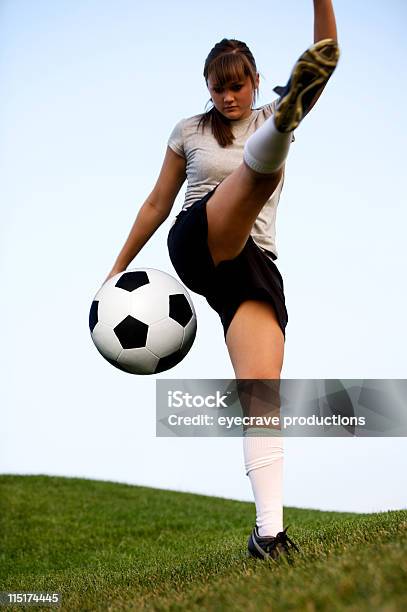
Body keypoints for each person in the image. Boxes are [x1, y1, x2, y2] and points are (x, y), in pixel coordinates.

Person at [104, 0, 339, 561]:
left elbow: (327, 59)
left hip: (252, 268)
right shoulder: (188, 131)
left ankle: (269, 534)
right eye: (217, 88)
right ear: (207, 88)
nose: (228, 96)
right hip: (197, 239)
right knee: (259, 174)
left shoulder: (256, 113)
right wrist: (115, 271)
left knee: (262, 392)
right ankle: (284, 129)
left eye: (237, 86)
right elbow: (157, 203)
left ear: (256, 83)